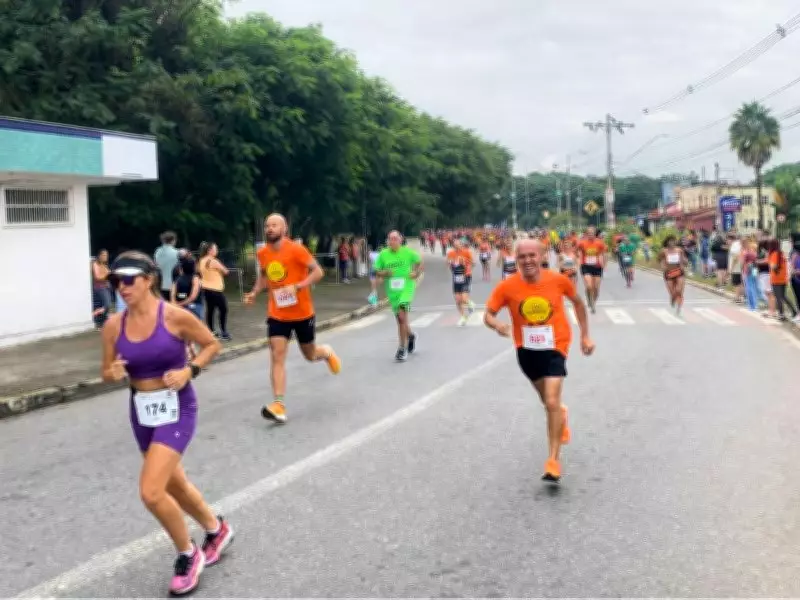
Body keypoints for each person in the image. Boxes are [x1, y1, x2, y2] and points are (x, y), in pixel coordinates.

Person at [102, 251, 234, 596]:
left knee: (151, 491)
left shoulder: (175, 317)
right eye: (117, 281)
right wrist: (111, 373)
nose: (122, 287)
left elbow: (211, 345)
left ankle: (188, 554)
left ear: (149, 279)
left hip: (177, 407)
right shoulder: (114, 325)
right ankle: (215, 528)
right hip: (142, 412)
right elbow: (106, 370)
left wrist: (190, 370)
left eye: (129, 279)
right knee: (174, 484)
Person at [484, 239, 594, 482]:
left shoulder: (558, 280)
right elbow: (488, 314)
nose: (527, 261)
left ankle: (553, 460)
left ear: (543, 255)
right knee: (549, 403)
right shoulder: (507, 287)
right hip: (526, 350)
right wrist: (497, 325)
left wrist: (585, 335)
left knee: (552, 400)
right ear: (516, 259)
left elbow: (578, 302)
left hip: (556, 345)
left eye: (532, 255)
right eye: (522, 257)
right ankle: (560, 415)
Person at [244, 214, 342, 424]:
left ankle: (326, 352)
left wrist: (298, 285)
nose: (269, 228)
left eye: (274, 225)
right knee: (277, 355)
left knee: (310, 354)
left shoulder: (296, 249)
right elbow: (263, 275)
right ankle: (278, 404)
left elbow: (318, 272)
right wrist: (254, 292)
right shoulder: (262, 253)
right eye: (267, 225)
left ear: (284, 228)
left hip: (302, 312)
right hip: (277, 313)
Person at [373, 230, 423, 361]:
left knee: (401, 316)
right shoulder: (383, 254)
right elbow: (377, 271)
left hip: (406, 288)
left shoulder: (408, 252)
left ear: (401, 240)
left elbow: (419, 262)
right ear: (387, 241)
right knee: (401, 319)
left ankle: (402, 348)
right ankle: (411, 336)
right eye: (390, 239)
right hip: (393, 291)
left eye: (395, 238)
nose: (393, 241)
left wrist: (416, 273)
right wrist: (385, 273)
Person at [577, 227, 607, 313]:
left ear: (594, 234)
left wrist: (604, 264)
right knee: (589, 286)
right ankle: (589, 299)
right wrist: (579, 260)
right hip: (586, 266)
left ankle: (593, 302)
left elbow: (604, 253)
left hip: (597, 267)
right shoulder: (582, 243)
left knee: (596, 288)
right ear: (586, 234)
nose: (590, 234)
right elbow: (577, 251)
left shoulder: (599, 243)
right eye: (589, 233)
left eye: (592, 233)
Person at [446, 239, 475, 326]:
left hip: (466, 276)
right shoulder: (451, 253)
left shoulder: (466, 252)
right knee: (458, 300)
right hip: (456, 278)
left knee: (464, 299)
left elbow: (473, 263)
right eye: (454, 245)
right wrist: (449, 263)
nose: (456, 246)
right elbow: (448, 264)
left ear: (461, 245)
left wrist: (465, 262)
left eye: (458, 244)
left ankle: (470, 303)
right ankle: (463, 317)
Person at [659, 235, 688, 315]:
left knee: (679, 290)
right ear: (667, 242)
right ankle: (672, 298)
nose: (672, 243)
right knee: (672, 292)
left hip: (679, 272)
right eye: (670, 241)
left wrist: (685, 262)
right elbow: (660, 261)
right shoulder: (663, 251)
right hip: (669, 273)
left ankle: (679, 307)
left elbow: (684, 260)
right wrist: (663, 266)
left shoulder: (679, 250)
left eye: (673, 241)